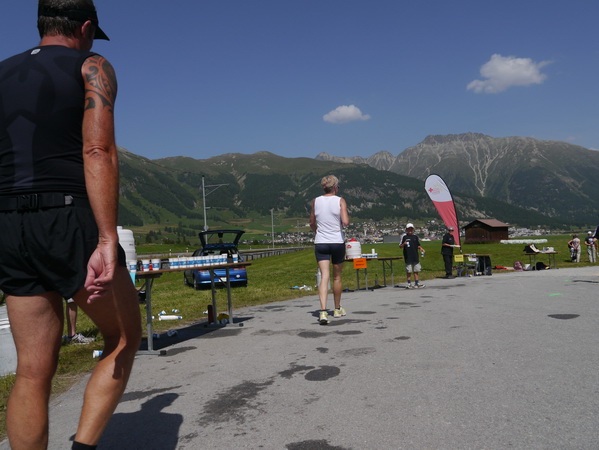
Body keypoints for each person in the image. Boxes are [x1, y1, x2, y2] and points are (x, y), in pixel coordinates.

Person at [0, 2, 142, 449]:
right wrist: (106, 237)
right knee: (123, 337)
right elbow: (98, 150)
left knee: (31, 370)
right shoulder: (92, 65)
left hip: (8, 222)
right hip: (67, 217)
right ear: (85, 27)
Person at [309, 175, 350, 324]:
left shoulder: (316, 201)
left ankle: (323, 312)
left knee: (324, 276)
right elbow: (345, 222)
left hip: (321, 242)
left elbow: (311, 222)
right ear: (335, 187)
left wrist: (318, 232)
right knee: (337, 277)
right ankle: (337, 308)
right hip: (337, 242)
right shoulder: (340, 200)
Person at [399, 223, 425, 288]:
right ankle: (409, 283)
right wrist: (404, 244)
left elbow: (418, 245)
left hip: (415, 255)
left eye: (411, 229)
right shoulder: (404, 237)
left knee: (416, 270)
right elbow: (400, 246)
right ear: (406, 230)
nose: (410, 230)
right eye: (408, 229)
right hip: (408, 256)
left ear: (413, 229)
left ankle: (417, 283)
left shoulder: (415, 237)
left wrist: (421, 248)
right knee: (409, 270)